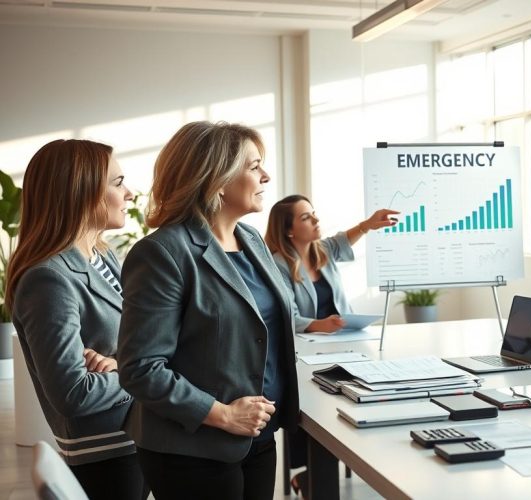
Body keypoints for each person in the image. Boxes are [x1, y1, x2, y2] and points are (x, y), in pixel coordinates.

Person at [117, 122, 299, 499]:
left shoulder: (250, 240)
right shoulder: (163, 253)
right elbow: (140, 368)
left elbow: (262, 327)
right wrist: (225, 415)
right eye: (254, 166)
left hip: (257, 437)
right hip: (191, 449)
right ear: (216, 179)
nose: (266, 175)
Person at [6, 139, 147, 500]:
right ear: (80, 191)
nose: (129, 193)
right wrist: (137, 375)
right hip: (106, 454)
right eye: (117, 183)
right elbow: (73, 392)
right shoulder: (48, 278)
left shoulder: (101, 255)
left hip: (132, 437)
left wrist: (117, 366)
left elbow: (132, 342)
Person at [265, 195, 397, 333]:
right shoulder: (279, 265)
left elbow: (343, 241)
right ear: (288, 231)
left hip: (346, 333)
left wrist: (368, 225)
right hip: (311, 342)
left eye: (314, 214)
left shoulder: (323, 249)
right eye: (306, 218)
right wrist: (320, 325)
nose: (316, 220)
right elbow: (289, 317)